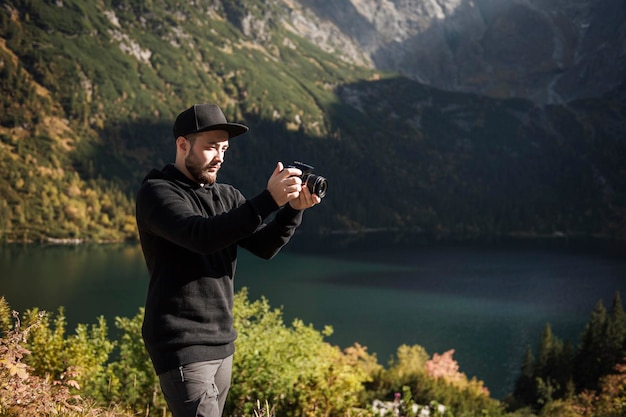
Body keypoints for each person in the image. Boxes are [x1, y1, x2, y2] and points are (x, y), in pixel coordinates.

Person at [135, 103, 321, 417]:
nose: (220, 156)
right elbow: (201, 236)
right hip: (181, 344)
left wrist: (292, 209)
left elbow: (264, 246)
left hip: (222, 343)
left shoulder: (227, 196)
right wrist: (267, 200)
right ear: (183, 145)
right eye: (211, 147)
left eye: (224, 148)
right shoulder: (157, 193)